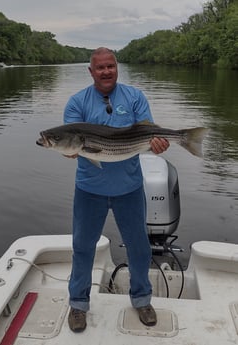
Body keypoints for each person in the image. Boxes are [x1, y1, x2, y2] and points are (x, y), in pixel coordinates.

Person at [63, 47, 170, 333]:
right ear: (91, 71)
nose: (106, 71)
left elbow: (149, 133)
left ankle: (142, 299)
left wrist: (158, 143)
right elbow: (69, 143)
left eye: (110, 66)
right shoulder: (77, 103)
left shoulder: (135, 97)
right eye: (100, 67)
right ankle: (78, 304)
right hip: (89, 189)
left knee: (139, 248)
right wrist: (67, 149)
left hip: (130, 188)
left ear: (117, 67)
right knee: (83, 248)